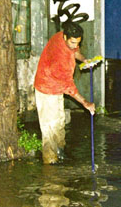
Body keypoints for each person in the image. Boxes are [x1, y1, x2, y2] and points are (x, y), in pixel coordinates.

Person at [33, 22, 95, 164]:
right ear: (65, 37)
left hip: (57, 87)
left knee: (59, 122)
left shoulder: (63, 36)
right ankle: (50, 164)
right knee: (50, 128)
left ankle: (60, 152)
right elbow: (69, 86)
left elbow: (75, 52)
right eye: (72, 42)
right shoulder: (61, 58)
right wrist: (85, 103)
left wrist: (85, 60)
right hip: (46, 88)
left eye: (77, 42)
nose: (74, 45)